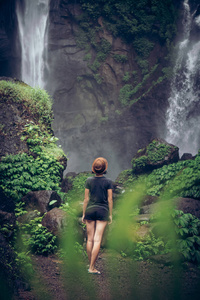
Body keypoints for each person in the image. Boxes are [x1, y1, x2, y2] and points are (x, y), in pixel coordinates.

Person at [82, 157, 113, 275]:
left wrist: (84, 213)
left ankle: (91, 264)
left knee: (89, 239)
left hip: (90, 210)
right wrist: (110, 214)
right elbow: (110, 199)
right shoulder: (108, 182)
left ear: (93, 169)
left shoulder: (89, 180)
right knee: (97, 239)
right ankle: (91, 267)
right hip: (103, 211)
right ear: (105, 168)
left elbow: (86, 199)